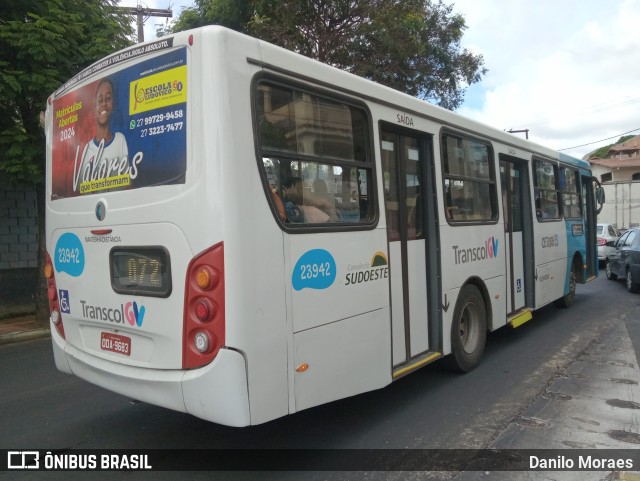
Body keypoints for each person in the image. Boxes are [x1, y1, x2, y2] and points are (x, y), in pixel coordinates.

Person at [77, 78, 129, 185]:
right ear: (94, 108)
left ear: (113, 104)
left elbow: (127, 183)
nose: (104, 104)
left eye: (108, 98)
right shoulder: (87, 149)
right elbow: (81, 190)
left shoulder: (120, 140)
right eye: (100, 100)